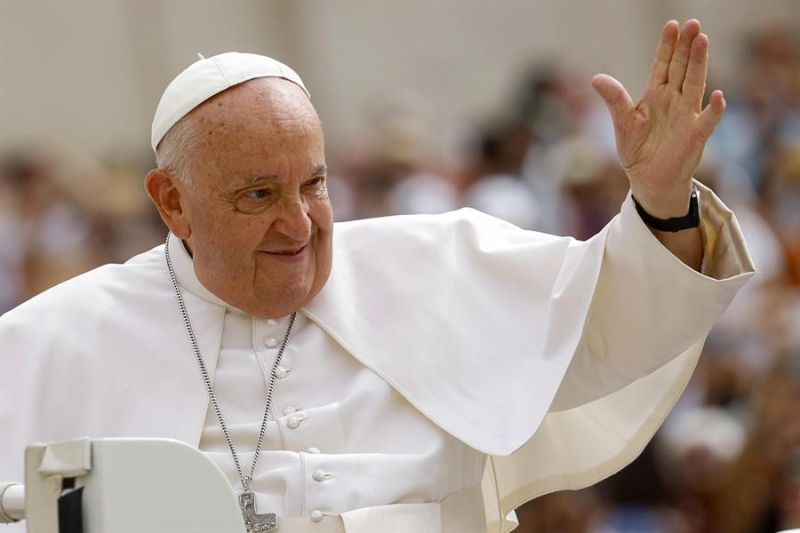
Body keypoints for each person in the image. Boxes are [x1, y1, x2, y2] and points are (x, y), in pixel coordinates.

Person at [0, 19, 754, 533]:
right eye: (259, 194)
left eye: (313, 184)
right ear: (173, 204)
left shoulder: (435, 264)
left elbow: (616, 320)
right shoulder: (53, 340)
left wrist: (659, 200)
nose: (298, 224)